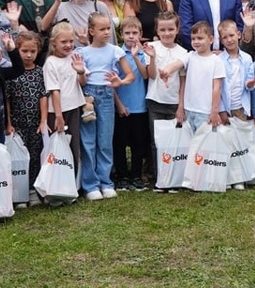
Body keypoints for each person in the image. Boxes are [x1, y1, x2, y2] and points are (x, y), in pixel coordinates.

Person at [75, 12, 132, 199]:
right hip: (88, 98)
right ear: (91, 31)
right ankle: (91, 185)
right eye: (102, 29)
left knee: (105, 140)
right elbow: (81, 82)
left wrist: (120, 82)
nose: (107, 32)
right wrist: (81, 73)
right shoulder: (82, 53)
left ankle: (106, 182)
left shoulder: (115, 50)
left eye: (108, 28)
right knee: (88, 141)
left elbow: (130, 75)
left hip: (107, 95)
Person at [144, 12, 188, 192]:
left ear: (177, 29)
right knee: (157, 142)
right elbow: (151, 75)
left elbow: (183, 82)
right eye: (162, 30)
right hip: (155, 101)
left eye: (171, 29)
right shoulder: (152, 47)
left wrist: (181, 106)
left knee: (175, 142)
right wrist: (152, 57)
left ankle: (175, 178)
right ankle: (160, 179)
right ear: (157, 30)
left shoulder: (183, 52)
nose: (167, 33)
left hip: (174, 103)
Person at [43, 22, 87, 184]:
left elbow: (82, 83)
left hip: (74, 108)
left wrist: (81, 72)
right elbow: (54, 90)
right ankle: (55, 184)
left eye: (71, 41)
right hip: (57, 112)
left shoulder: (74, 57)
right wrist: (59, 116)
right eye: (64, 42)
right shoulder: (51, 62)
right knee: (56, 149)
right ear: (54, 42)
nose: (68, 45)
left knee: (73, 147)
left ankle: (72, 185)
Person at [4, 30, 47, 196]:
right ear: (17, 50)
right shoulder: (11, 72)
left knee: (35, 155)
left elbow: (43, 96)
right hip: (17, 123)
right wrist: (8, 123)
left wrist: (43, 121)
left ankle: (33, 189)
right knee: (19, 156)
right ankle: (18, 191)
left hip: (35, 122)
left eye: (33, 51)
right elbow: (7, 99)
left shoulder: (39, 72)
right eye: (24, 51)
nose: (29, 55)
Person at [113, 17, 150, 191]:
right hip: (122, 106)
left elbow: (145, 75)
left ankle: (136, 175)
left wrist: (135, 57)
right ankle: (122, 176)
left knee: (138, 144)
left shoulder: (145, 54)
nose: (131, 36)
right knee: (119, 143)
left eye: (135, 33)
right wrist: (119, 104)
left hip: (140, 106)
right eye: (127, 33)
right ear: (121, 34)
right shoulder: (116, 54)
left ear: (140, 34)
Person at [176, 21, 225, 133]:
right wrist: (167, 71)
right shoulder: (190, 56)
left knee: (205, 143)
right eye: (193, 39)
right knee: (190, 142)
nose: (196, 41)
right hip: (188, 110)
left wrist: (214, 111)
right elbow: (177, 64)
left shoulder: (216, 61)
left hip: (205, 112)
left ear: (211, 39)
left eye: (200, 38)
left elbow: (217, 88)